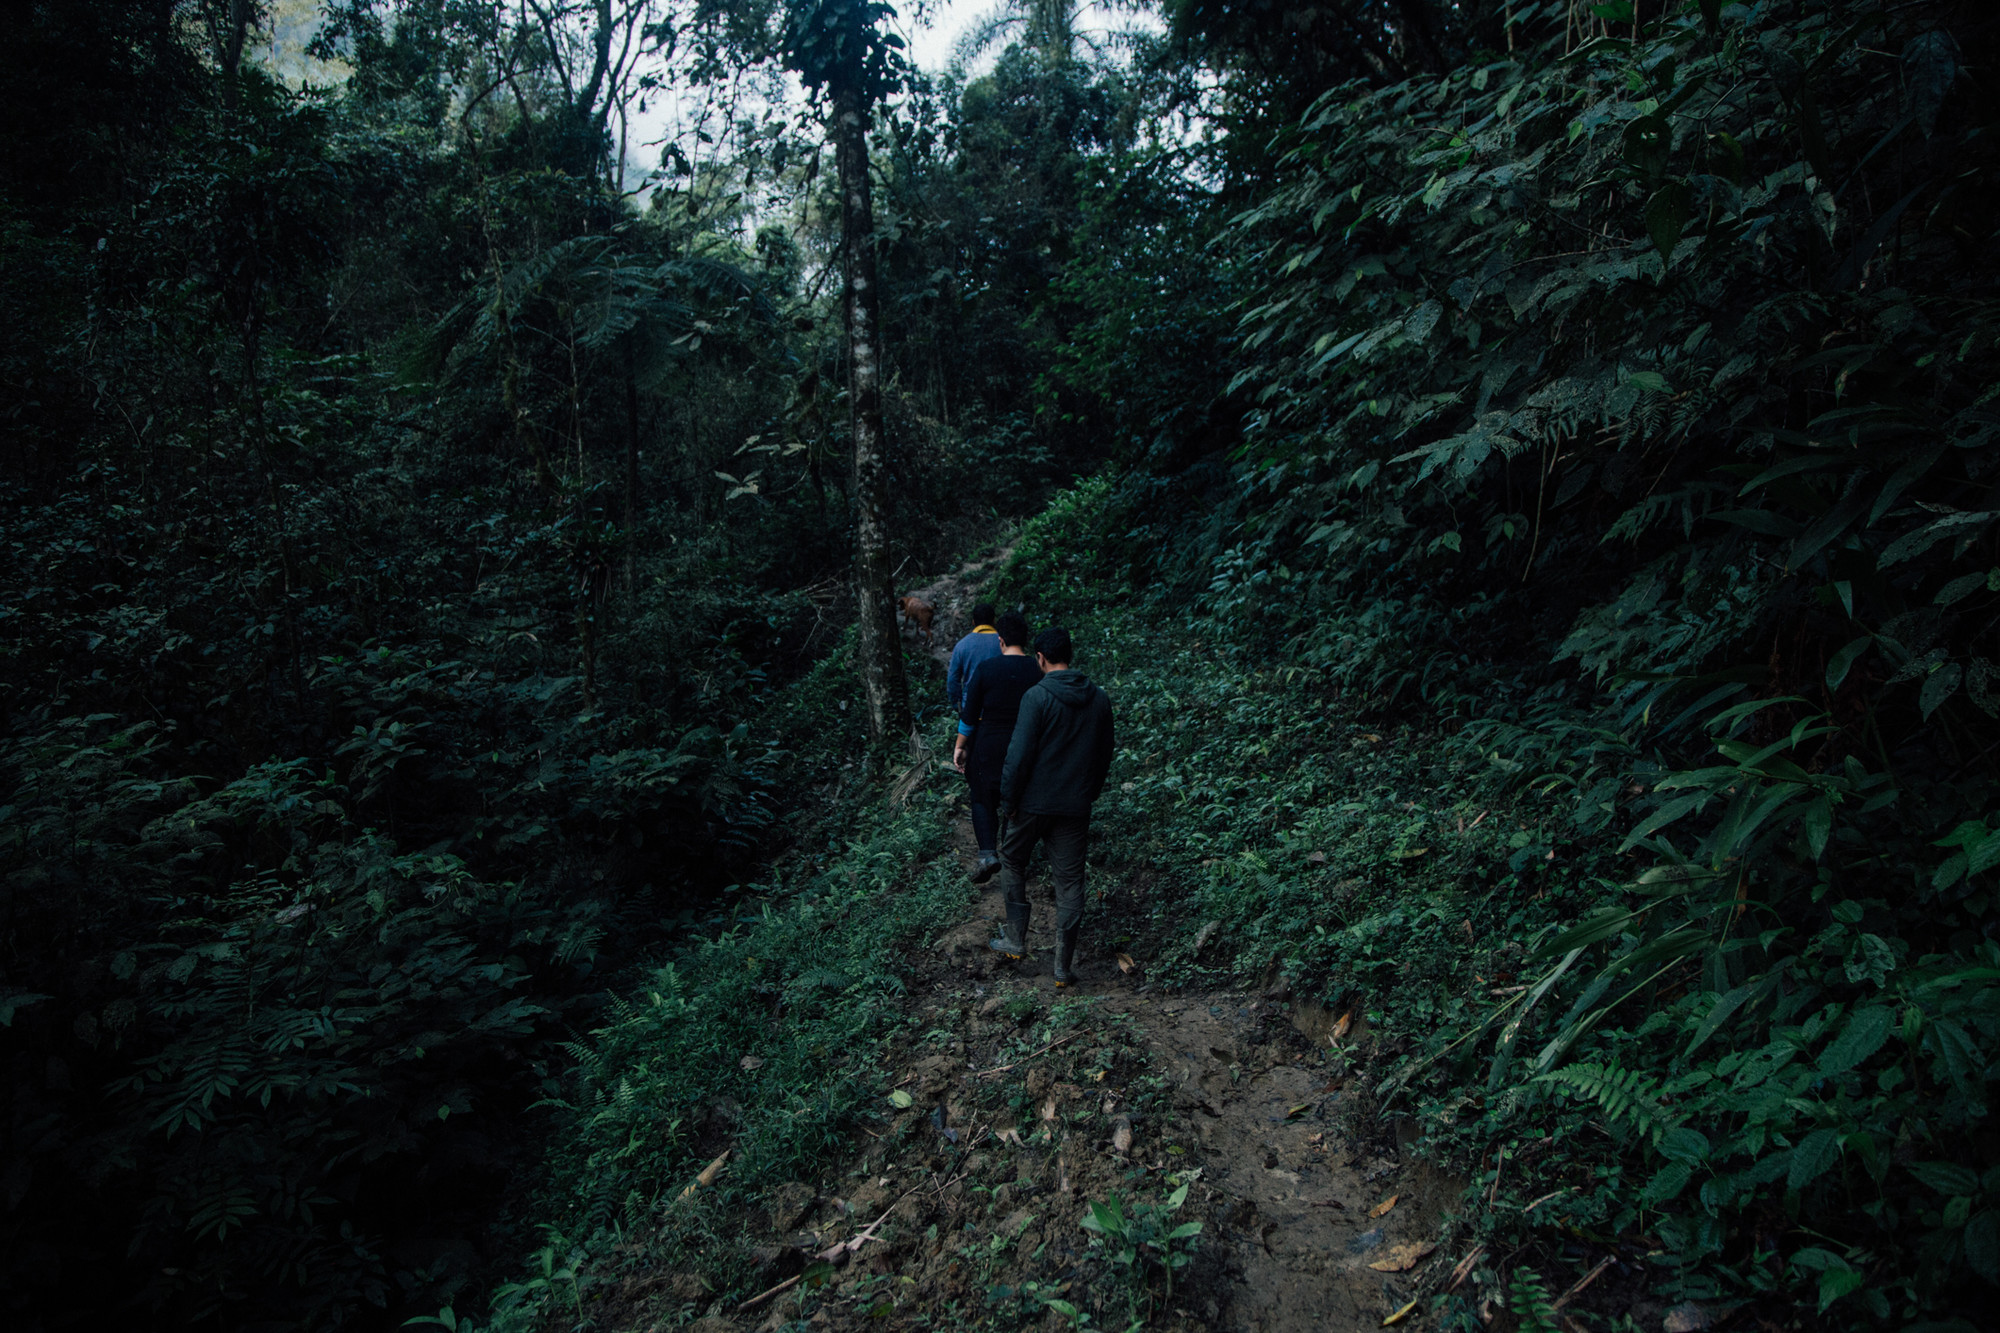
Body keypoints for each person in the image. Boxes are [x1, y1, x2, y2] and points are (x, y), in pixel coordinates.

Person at [990, 626, 1115, 986]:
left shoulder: (1037, 697)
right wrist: (1088, 793)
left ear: (1040, 659)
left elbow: (1018, 755)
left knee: (1013, 859)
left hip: (1031, 804)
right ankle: (1062, 967)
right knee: (1071, 882)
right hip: (1074, 806)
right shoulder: (1099, 698)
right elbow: (1104, 754)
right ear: (1070, 656)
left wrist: (1009, 801)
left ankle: (1015, 938)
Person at [954, 611, 1041, 881]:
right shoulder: (1036, 670)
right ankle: (1011, 853)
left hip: (988, 742)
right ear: (1026, 640)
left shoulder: (987, 669)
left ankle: (987, 854)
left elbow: (969, 715)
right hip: (1024, 743)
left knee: (982, 796)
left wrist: (960, 747)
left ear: (1000, 640)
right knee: (1015, 797)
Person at [945, 602, 1003, 714]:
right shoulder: (1004, 643)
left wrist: (957, 705)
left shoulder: (962, 645)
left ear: (973, 622)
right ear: (994, 620)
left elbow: (953, 680)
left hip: (971, 708)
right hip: (999, 708)